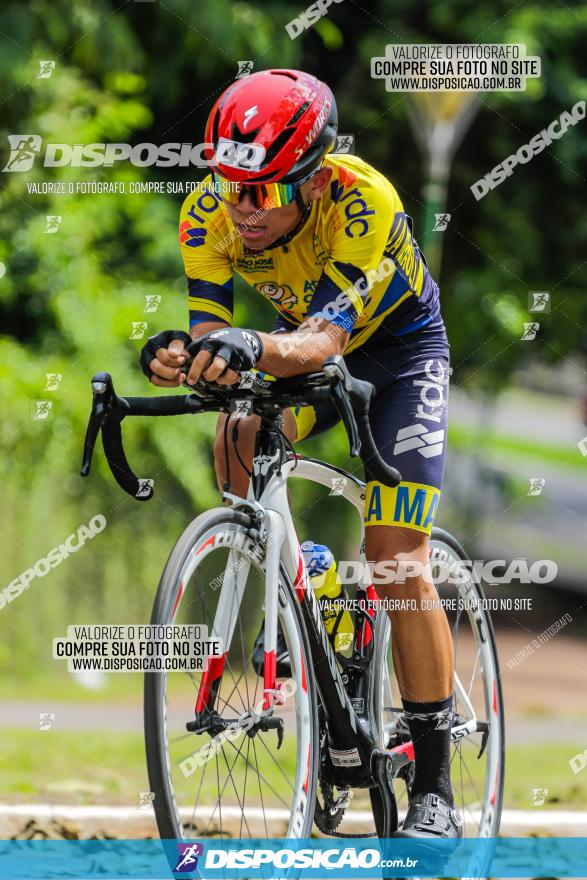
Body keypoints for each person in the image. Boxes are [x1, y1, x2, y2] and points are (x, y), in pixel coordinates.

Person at [140, 68, 461, 839]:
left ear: (313, 181)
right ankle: (300, 584)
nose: (239, 208)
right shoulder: (208, 214)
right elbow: (210, 324)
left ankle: (436, 788)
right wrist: (183, 353)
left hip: (397, 359)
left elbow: (322, 340)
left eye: (262, 191)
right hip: (307, 357)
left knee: (392, 560)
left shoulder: (365, 202)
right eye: (227, 184)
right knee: (234, 437)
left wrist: (249, 344)